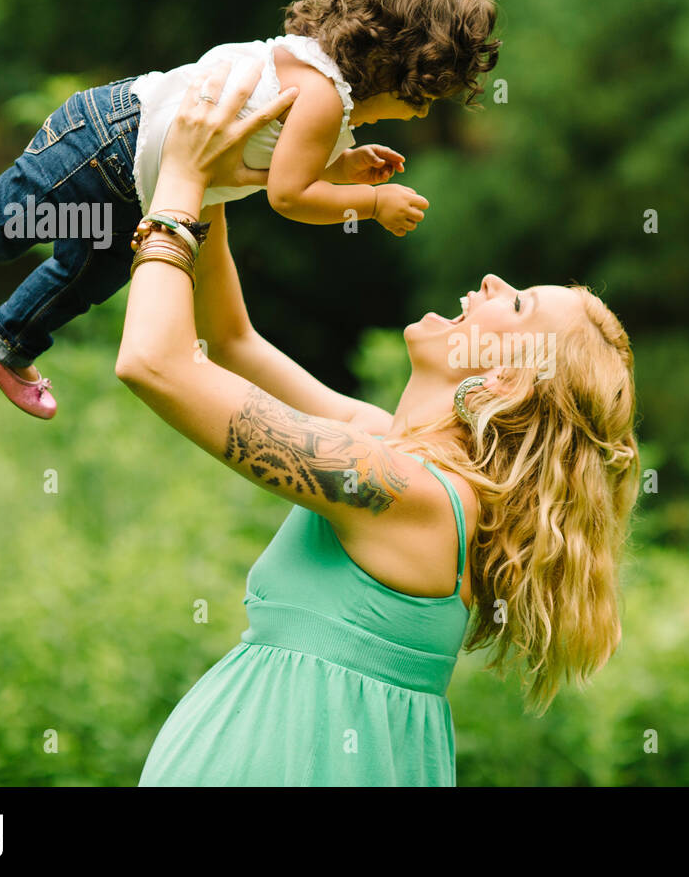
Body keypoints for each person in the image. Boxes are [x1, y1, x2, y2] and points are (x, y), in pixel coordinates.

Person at [118, 63, 640, 786]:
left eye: (515, 304)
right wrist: (215, 176)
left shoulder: (404, 490)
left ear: (506, 377)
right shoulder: (393, 454)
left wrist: (175, 190)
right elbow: (232, 340)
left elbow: (157, 362)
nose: (492, 282)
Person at [0, 0, 499, 421]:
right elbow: (288, 196)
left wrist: (344, 168)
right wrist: (373, 201)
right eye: (431, 94)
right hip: (106, 142)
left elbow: (285, 162)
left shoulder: (317, 84)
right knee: (1, 223)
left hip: (132, 179)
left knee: (98, 269)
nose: (424, 111)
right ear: (408, 70)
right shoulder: (324, 96)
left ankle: (6, 338)